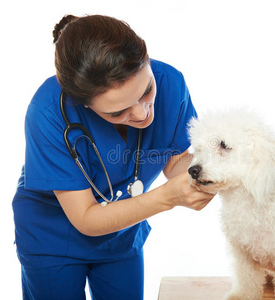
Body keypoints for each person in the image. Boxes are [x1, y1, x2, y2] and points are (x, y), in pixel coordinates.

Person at [12, 14, 215, 300]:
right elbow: (85, 218)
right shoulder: (47, 111)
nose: (143, 114)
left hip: (122, 229)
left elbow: (176, 162)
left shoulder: (171, 84)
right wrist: (168, 197)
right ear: (81, 102)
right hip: (52, 236)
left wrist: (211, 173)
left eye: (146, 91)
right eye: (117, 112)